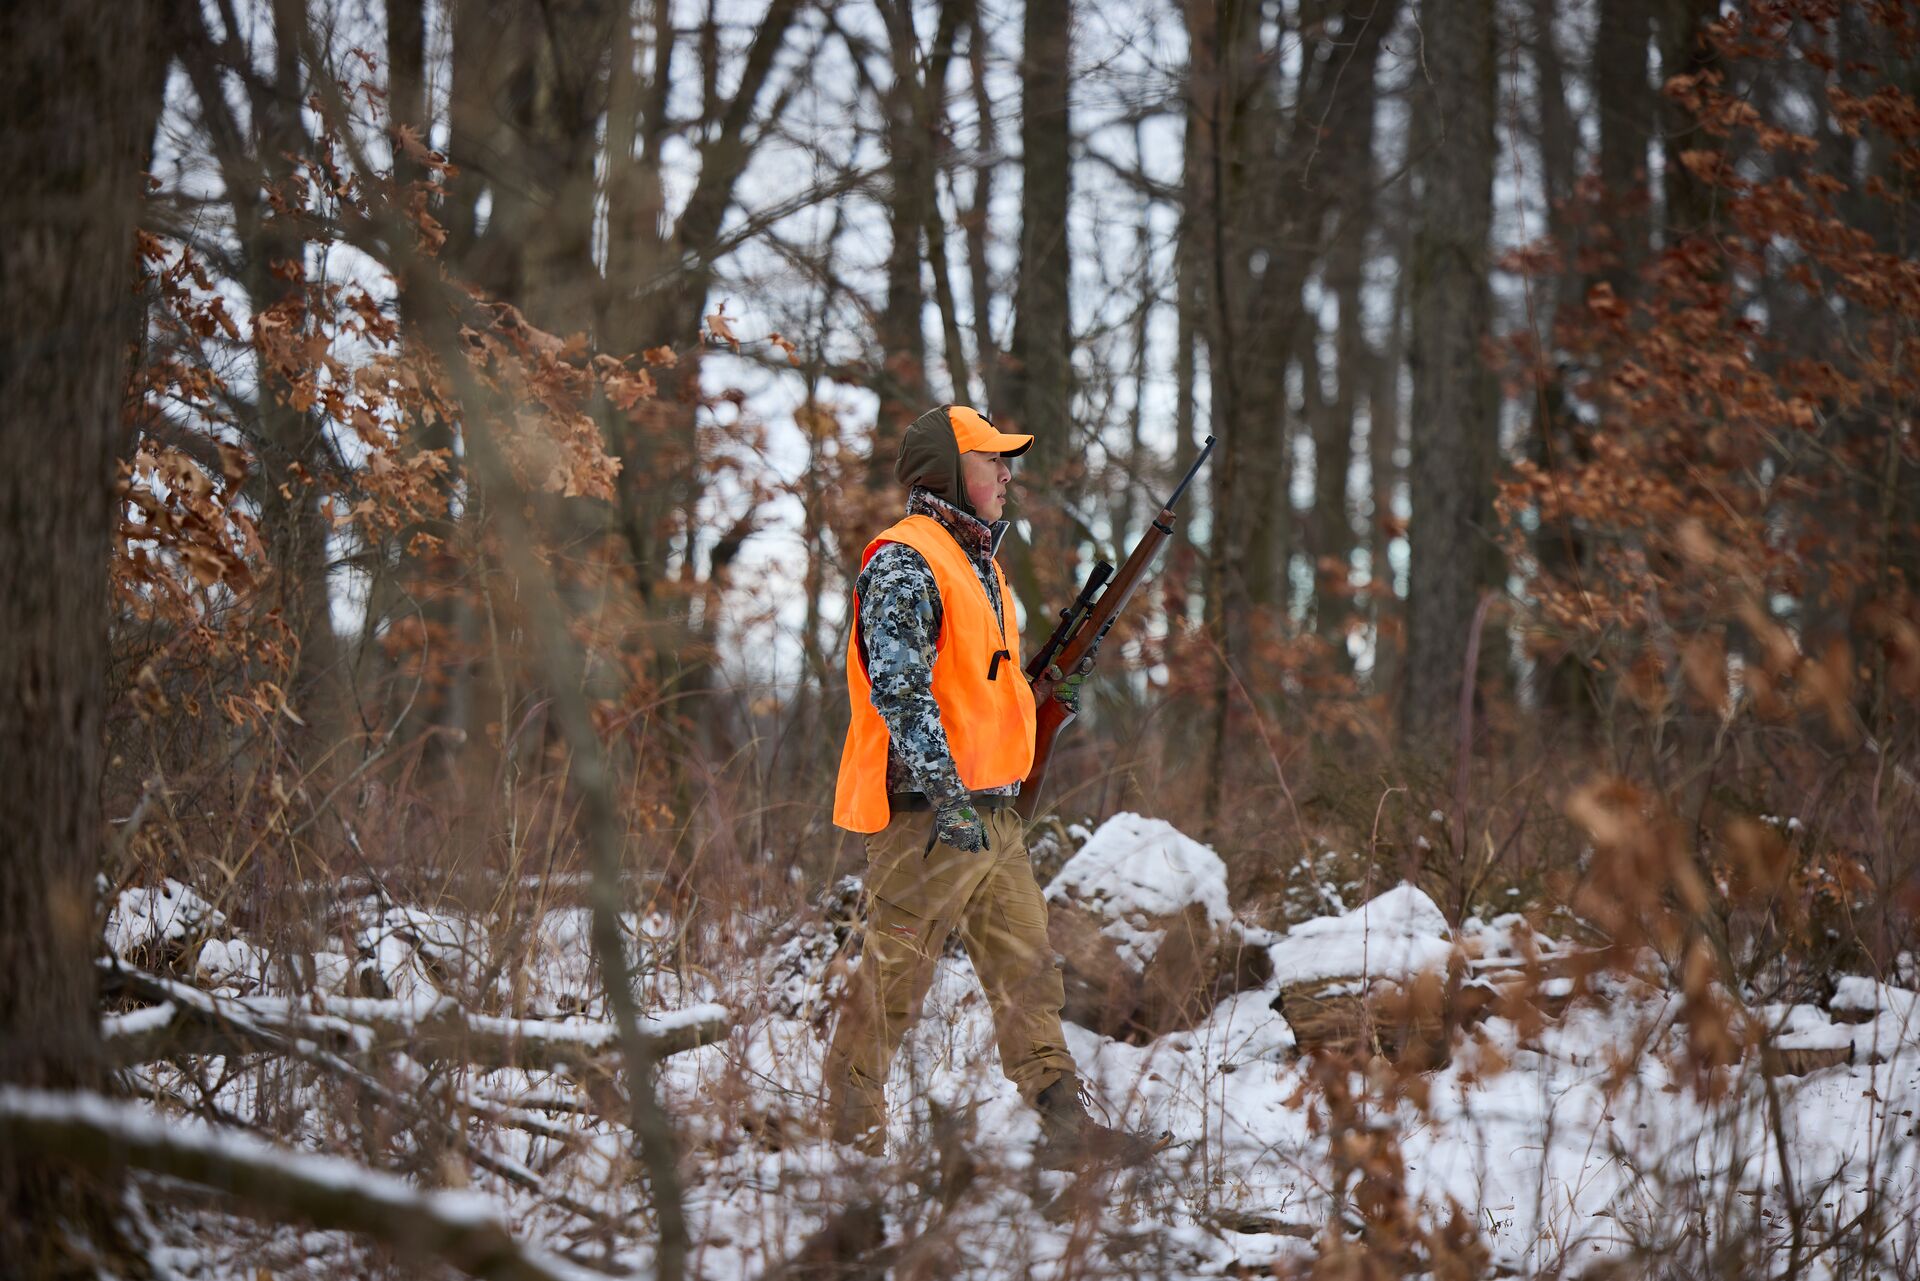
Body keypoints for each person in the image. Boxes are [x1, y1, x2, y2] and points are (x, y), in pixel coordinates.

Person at [822, 403, 1153, 1167]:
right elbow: (901, 693)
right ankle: (845, 1155)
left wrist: (1043, 709)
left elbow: (980, 693)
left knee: (1028, 980)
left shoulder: (985, 569)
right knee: (889, 989)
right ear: (947, 473)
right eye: (991, 459)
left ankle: (1068, 1132)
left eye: (1007, 460)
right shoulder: (905, 559)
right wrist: (948, 799)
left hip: (993, 820)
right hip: (928, 820)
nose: (1007, 473)